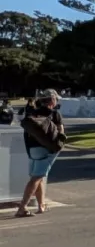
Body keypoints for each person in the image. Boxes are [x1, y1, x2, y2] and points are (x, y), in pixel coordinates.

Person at [16, 90, 65, 218]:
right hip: (45, 149)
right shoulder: (55, 114)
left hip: (32, 148)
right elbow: (61, 134)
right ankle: (22, 208)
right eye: (56, 99)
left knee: (39, 177)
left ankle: (41, 205)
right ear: (52, 100)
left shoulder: (33, 113)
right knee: (36, 178)